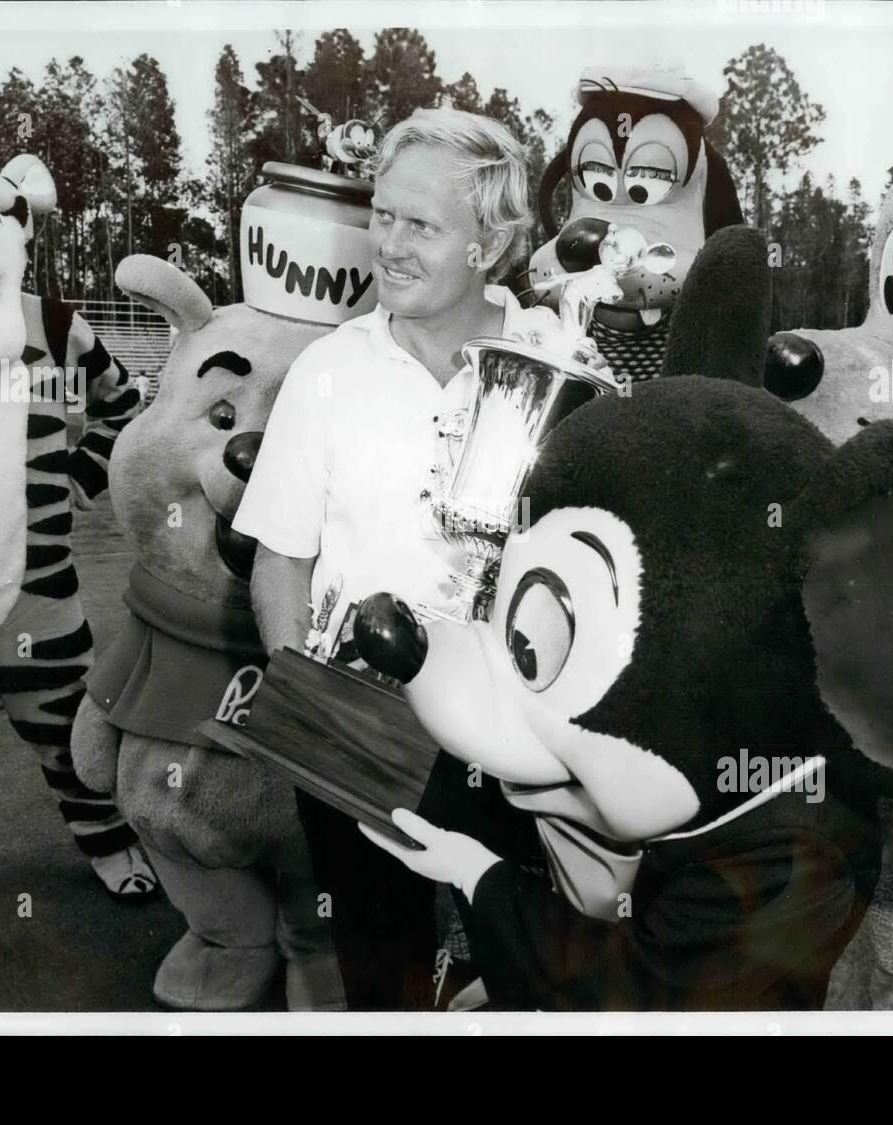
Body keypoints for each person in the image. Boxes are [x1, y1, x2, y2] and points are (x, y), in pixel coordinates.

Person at [231, 108, 567, 1009]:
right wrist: (307, 704)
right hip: (362, 735)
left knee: (525, 978)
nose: (389, 244)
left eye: (422, 225)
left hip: (523, 743)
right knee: (386, 983)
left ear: (491, 244)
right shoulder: (326, 371)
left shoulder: (558, 357)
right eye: (383, 215)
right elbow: (279, 559)